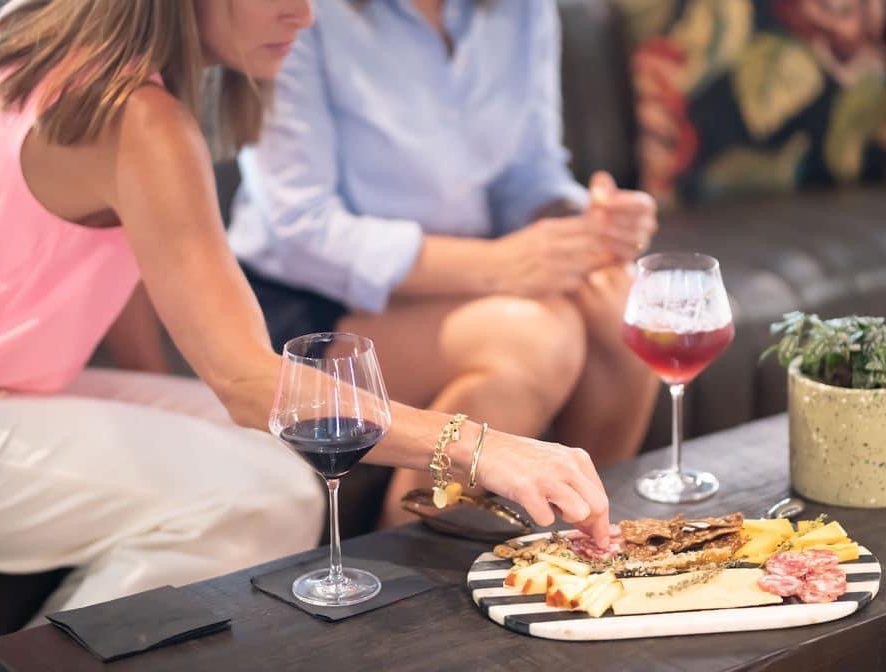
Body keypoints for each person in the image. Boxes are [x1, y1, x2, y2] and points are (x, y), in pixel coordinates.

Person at [0, 0, 610, 619]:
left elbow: (104, 260)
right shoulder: (138, 118)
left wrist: (157, 393)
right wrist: (480, 447)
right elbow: (252, 386)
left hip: (10, 389)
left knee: (277, 458)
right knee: (267, 494)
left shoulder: (38, 35)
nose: (306, 16)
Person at [229, 0, 660, 526]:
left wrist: (584, 222)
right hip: (312, 300)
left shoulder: (523, 10)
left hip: (462, 281)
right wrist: (497, 266)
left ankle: (587, 541)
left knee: (626, 302)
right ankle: (411, 577)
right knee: (534, 338)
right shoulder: (297, 13)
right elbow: (301, 227)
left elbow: (527, 172)